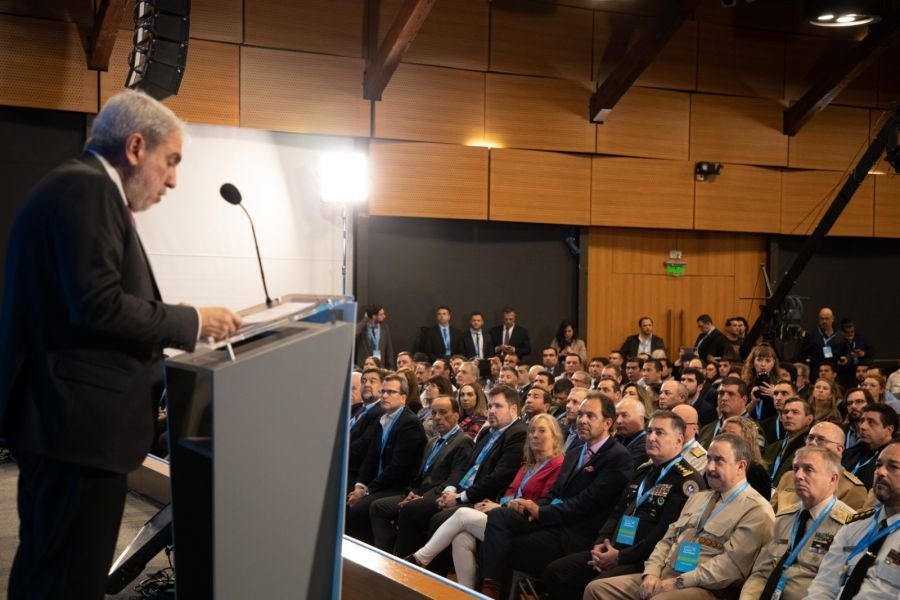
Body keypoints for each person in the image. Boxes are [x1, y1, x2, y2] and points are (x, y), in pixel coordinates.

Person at [0, 90, 243, 600]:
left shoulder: (76, 187)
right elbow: (97, 305)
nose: (173, 179)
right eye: (170, 160)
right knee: (66, 581)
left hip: (68, 426)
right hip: (77, 429)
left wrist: (163, 316)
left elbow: (86, 305)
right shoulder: (87, 190)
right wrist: (191, 320)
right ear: (136, 147)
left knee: (51, 573)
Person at [477, 392, 633, 598]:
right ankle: (490, 588)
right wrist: (528, 505)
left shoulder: (618, 457)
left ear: (607, 422)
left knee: (502, 546)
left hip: (577, 533)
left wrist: (541, 512)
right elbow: (554, 493)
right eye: (581, 415)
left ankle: (492, 593)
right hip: (553, 521)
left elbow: (585, 503)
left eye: (590, 416)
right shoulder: (576, 451)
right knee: (499, 517)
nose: (583, 420)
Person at [583, 433, 775, 599]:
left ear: (741, 467)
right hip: (666, 576)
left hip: (706, 589)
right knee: (598, 590)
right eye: (709, 459)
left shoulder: (756, 509)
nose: (710, 467)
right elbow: (667, 540)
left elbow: (729, 567)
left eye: (719, 461)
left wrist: (679, 582)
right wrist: (650, 573)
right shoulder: (698, 498)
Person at [542, 410, 706, 600]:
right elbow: (617, 512)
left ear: (679, 440)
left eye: (660, 433)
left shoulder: (686, 481)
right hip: (613, 549)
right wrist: (600, 546)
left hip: (642, 560)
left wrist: (620, 557)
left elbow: (662, 535)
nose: (651, 437)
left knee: (595, 586)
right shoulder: (643, 471)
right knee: (556, 572)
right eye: (650, 431)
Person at [407, 413, 565, 589]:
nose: (535, 435)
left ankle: (420, 558)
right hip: (505, 517)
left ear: (555, 436)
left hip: (527, 525)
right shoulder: (527, 465)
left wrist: (500, 506)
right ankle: (468, 593)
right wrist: (501, 504)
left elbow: (545, 501)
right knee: (462, 538)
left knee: (462, 514)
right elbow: (510, 492)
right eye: (532, 431)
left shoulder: (559, 465)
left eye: (542, 431)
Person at [392, 385, 527, 561]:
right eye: (490, 406)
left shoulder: (517, 433)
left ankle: (432, 578)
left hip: (482, 499)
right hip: (460, 491)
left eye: (498, 406)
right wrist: (450, 491)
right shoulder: (487, 431)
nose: (492, 411)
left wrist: (459, 498)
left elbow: (498, 478)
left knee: (438, 519)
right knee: (411, 510)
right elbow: (465, 466)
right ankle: (403, 567)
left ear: (513, 409)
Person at [740, 446, 856, 600]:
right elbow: (760, 573)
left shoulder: (848, 526)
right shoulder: (784, 517)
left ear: (833, 479)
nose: (798, 476)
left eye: (808, 469)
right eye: (795, 469)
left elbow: (839, 588)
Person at [368, 395, 474, 552]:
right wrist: (412, 493)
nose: (437, 417)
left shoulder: (463, 441)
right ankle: (385, 554)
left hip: (437, 497)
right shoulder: (432, 441)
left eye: (443, 412)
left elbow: (454, 479)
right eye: (434, 413)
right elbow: (420, 476)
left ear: (456, 415)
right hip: (418, 494)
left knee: (408, 510)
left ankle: (401, 560)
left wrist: (423, 498)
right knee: (377, 507)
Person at [805, 440, 900, 600]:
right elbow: (824, 585)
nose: (880, 472)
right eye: (878, 465)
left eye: (893, 467)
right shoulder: (855, 526)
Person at [345, 375, 427, 544]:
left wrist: (367, 491)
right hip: (381, 483)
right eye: (383, 392)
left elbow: (398, 469)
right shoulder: (382, 419)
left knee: (358, 509)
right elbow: (370, 458)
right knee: (350, 498)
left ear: (403, 397)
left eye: (391, 392)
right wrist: (360, 486)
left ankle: (367, 563)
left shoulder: (409, 424)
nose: (384, 396)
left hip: (398, 486)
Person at [772, 421, 869, 513]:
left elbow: (851, 528)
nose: (813, 443)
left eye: (821, 440)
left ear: (838, 450)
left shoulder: (852, 489)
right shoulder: (788, 477)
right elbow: (772, 516)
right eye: (810, 438)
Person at [841, 403, 897, 489]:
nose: (863, 427)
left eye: (871, 423)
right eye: (862, 421)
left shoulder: (894, 459)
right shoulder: (851, 452)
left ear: (889, 430)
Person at [763, 398, 814, 487]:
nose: (788, 415)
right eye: (785, 412)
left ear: (809, 419)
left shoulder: (810, 449)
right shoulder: (772, 447)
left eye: (795, 412)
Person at [722, 416, 771, 501]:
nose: (724, 437)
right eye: (723, 432)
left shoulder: (755, 472)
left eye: (732, 434)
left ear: (747, 440)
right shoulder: (713, 465)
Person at [354, 303, 395, 369]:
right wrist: (365, 320)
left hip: (379, 366)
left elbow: (389, 348)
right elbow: (353, 333)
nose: (384, 316)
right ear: (374, 316)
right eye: (381, 314)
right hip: (363, 366)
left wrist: (391, 367)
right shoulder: (362, 328)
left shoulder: (384, 328)